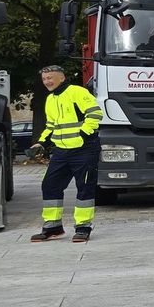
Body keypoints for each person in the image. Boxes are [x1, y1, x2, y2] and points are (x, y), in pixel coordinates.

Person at [32, 65, 103, 243]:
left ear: (62, 78)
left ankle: (83, 227)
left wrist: (84, 134)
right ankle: (52, 227)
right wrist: (41, 142)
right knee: (50, 185)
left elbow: (95, 113)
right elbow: (51, 126)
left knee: (84, 187)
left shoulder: (77, 92)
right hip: (61, 151)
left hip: (84, 149)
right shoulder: (50, 99)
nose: (47, 81)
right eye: (44, 79)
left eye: (50, 78)